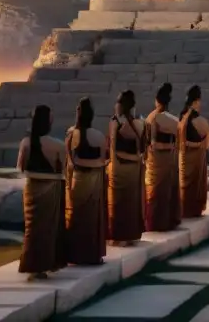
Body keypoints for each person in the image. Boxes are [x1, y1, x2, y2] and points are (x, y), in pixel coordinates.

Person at [16, 105, 67, 279]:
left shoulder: (26, 143)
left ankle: (32, 265)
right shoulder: (58, 145)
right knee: (49, 229)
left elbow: (21, 168)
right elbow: (64, 170)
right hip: (52, 188)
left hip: (32, 188)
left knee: (32, 228)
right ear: (49, 122)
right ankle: (45, 264)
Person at [64, 97, 108, 266]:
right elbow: (103, 160)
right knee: (92, 217)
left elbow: (69, 161)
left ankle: (75, 254)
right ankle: (92, 254)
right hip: (95, 178)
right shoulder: (98, 135)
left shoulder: (71, 133)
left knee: (77, 216)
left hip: (78, 178)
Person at [108, 90, 145, 246]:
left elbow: (112, 149)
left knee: (119, 203)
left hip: (119, 167)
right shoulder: (141, 123)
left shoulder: (115, 123)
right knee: (131, 202)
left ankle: (119, 236)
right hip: (135, 167)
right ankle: (131, 234)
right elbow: (143, 149)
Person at [145, 83, 181, 232]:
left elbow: (151, 144)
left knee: (156, 192)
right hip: (171, 158)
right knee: (167, 190)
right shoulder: (174, 119)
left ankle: (156, 223)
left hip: (157, 159)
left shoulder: (152, 118)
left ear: (157, 100)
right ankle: (169, 221)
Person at [179, 85, 209, 218]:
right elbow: (207, 144)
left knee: (184, 186)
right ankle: (194, 209)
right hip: (196, 157)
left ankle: (184, 209)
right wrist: (199, 144)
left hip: (183, 158)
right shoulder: (200, 121)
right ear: (196, 101)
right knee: (195, 185)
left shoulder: (181, 117)